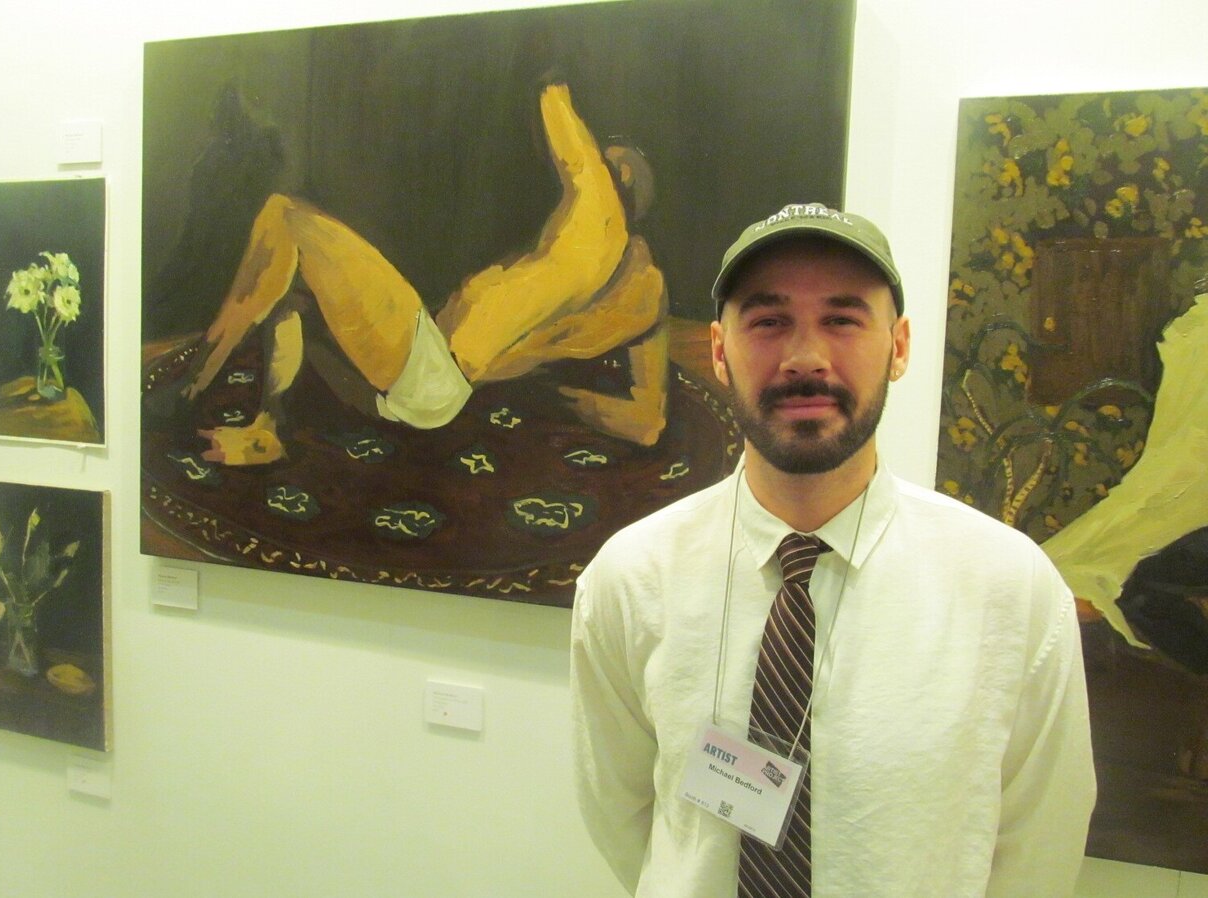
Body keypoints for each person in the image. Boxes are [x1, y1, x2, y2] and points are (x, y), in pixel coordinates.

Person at [569, 203, 1096, 897]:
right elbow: (621, 813)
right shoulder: (631, 576)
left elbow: (1040, 844)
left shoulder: (1010, 587)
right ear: (720, 352)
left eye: (843, 320)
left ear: (899, 347)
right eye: (768, 321)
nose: (805, 359)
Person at [164, 82, 669, 465]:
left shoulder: (599, 216)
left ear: (618, 176)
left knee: (286, 217)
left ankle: (193, 382)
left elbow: (552, 99)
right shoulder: (645, 293)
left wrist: (547, 68)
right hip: (429, 392)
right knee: (292, 284)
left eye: (604, 157)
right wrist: (547, 393)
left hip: (430, 370)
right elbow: (645, 424)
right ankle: (267, 428)